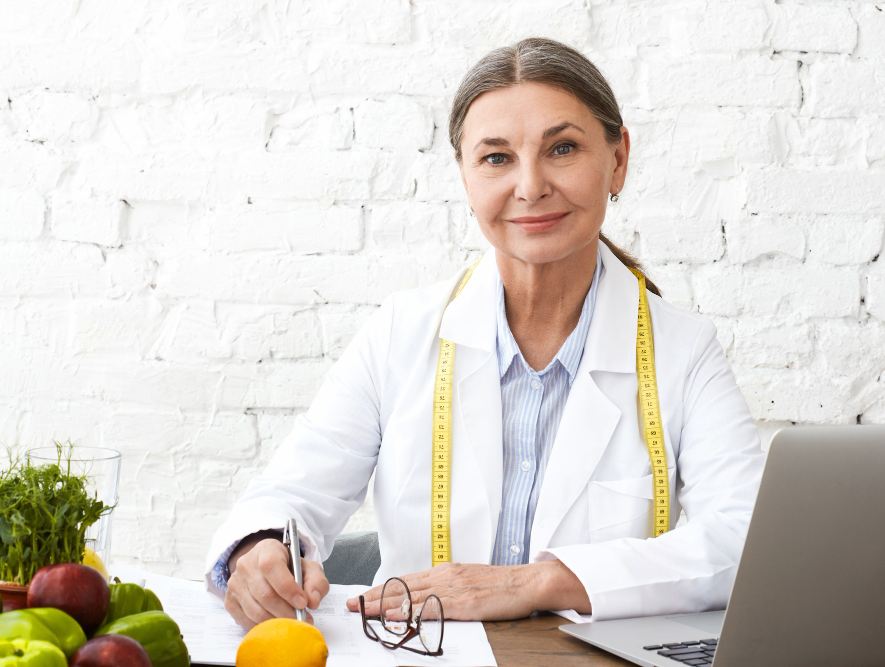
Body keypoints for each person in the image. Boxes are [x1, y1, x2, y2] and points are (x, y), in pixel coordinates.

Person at [205, 36, 766, 630]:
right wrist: (259, 549)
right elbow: (289, 495)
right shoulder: (401, 333)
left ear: (618, 159)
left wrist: (534, 582)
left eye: (564, 148)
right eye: (496, 158)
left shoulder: (684, 352)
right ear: (465, 175)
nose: (530, 186)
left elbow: (744, 541)